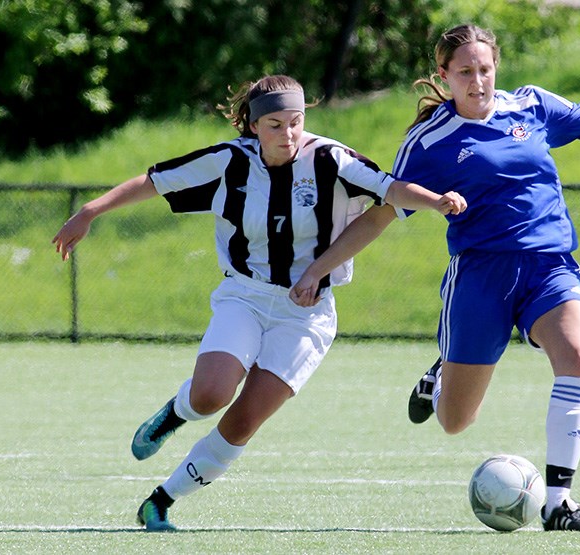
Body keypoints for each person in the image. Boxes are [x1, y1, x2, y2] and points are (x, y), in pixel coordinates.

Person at [293, 24, 580, 532]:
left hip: (550, 265)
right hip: (481, 276)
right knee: (456, 422)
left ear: (495, 67)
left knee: (576, 357)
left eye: (485, 69)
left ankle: (559, 503)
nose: (477, 80)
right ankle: (440, 377)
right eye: (464, 72)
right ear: (444, 75)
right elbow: (383, 211)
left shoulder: (531, 106)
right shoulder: (430, 140)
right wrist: (316, 270)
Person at [52, 74, 467, 532]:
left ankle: (161, 500)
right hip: (244, 296)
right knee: (211, 394)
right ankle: (176, 412)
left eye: (295, 122)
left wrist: (436, 201)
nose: (288, 134)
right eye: (274, 124)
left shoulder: (330, 158)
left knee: (244, 419)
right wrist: (90, 210)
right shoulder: (228, 161)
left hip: (307, 314)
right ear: (251, 125)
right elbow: (155, 182)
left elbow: (390, 190)